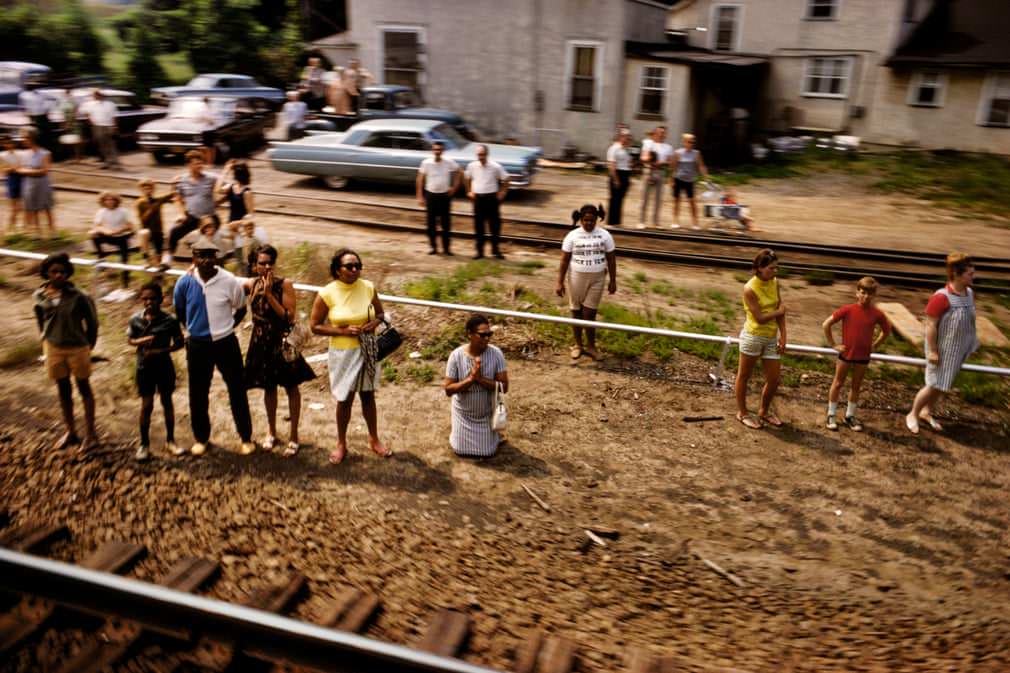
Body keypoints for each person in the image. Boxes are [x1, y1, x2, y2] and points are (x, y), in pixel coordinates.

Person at [172, 236, 254, 456]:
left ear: (217, 257)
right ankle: (201, 438)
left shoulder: (229, 281)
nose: (207, 260)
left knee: (237, 389)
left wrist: (228, 328)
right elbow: (179, 310)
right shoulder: (184, 282)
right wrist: (191, 329)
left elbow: (241, 308)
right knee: (198, 393)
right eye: (202, 256)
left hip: (226, 343)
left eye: (211, 255)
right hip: (198, 344)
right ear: (194, 258)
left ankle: (246, 438)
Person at [309, 248, 391, 464]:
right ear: (337, 270)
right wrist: (343, 331)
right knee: (344, 398)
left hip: (368, 349)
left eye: (358, 266)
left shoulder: (368, 287)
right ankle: (341, 443)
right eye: (349, 266)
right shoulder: (327, 293)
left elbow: (380, 314)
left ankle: (374, 439)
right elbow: (315, 326)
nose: (355, 270)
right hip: (343, 352)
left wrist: (375, 322)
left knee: (368, 395)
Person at [243, 245, 316, 456]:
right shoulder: (252, 283)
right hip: (260, 341)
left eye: (270, 262)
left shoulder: (284, 284)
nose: (266, 266)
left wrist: (269, 295)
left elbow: (289, 316)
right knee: (268, 387)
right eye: (262, 263)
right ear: (254, 265)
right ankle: (271, 432)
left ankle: (294, 436)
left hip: (281, 341)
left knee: (291, 387)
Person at [32, 253, 99, 453]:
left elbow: (93, 323)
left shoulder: (79, 296)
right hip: (53, 347)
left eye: (62, 271)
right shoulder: (39, 296)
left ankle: (90, 433)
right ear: (46, 274)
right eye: (54, 272)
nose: (59, 275)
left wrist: (89, 346)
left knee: (83, 388)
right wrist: (45, 338)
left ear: (68, 273)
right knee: (63, 388)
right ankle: (70, 431)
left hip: (77, 347)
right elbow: (40, 319)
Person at [906, 253, 979, 435]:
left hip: (958, 349)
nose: (973, 276)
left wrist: (971, 342)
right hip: (941, 349)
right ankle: (912, 414)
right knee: (933, 384)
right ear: (957, 274)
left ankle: (926, 412)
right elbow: (930, 325)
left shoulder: (969, 293)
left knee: (943, 384)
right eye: (970, 273)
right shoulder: (941, 297)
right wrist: (932, 351)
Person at [821, 277, 891, 432]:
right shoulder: (848, 309)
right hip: (846, 355)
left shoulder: (877, 314)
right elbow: (826, 324)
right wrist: (833, 344)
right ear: (857, 292)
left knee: (856, 386)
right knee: (838, 383)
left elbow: (886, 331)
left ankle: (850, 416)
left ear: (874, 295)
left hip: (863, 357)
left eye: (870, 293)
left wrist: (875, 345)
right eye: (863, 292)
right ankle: (831, 414)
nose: (866, 296)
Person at [127, 282, 184, 461]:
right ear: (141, 300)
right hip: (144, 367)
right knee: (147, 405)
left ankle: (171, 441)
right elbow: (130, 340)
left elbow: (179, 342)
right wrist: (142, 341)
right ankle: (144, 444)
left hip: (164, 366)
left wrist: (160, 351)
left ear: (161, 299)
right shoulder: (135, 319)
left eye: (153, 298)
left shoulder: (170, 320)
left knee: (167, 402)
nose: (149, 302)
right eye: (145, 299)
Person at [555, 204, 617, 360]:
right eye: (586, 220)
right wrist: (559, 282)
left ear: (597, 219)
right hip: (576, 278)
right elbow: (564, 260)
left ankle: (591, 347)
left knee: (590, 313)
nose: (589, 223)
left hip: (598, 279)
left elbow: (611, 258)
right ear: (580, 220)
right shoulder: (572, 235)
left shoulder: (605, 235)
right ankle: (578, 345)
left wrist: (613, 280)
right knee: (576, 311)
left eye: (592, 220)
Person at [443, 314, 509, 458]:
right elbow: (448, 390)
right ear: (470, 334)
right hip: (463, 415)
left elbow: (504, 387)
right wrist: (471, 379)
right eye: (482, 335)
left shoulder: (496, 354)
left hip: (485, 414)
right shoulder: (456, 356)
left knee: (487, 452)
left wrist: (481, 379)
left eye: (489, 334)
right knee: (459, 449)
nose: (487, 338)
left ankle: (494, 436)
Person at [735, 249, 787, 429]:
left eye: (776, 268)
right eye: (771, 269)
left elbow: (781, 310)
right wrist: (779, 312)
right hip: (753, 337)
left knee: (774, 379)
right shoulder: (749, 288)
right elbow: (759, 317)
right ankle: (742, 413)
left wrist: (784, 336)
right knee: (744, 376)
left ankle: (763, 411)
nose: (775, 272)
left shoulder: (774, 282)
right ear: (759, 268)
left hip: (771, 337)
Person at [165, 150, 219, 264]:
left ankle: (213, 262)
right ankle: (167, 259)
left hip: (209, 217)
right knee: (174, 232)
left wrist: (220, 199)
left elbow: (224, 185)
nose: (199, 166)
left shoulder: (211, 178)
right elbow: (177, 198)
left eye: (201, 163)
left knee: (206, 241)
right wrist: (181, 213)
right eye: (196, 163)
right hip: (193, 216)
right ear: (189, 165)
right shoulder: (182, 180)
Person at [464, 144, 509, 260]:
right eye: (479, 155)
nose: (481, 157)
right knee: (479, 226)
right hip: (478, 199)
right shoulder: (472, 166)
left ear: (487, 154)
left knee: (494, 226)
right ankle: (479, 252)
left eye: (483, 154)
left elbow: (506, 179)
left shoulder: (495, 167)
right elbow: (467, 178)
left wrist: (502, 193)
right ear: (476, 155)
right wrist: (469, 191)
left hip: (491, 199)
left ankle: (495, 251)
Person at [416, 140, 460, 255]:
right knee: (431, 224)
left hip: (445, 196)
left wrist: (454, 188)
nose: (437, 152)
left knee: (446, 223)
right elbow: (420, 180)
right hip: (431, 196)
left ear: (443, 151)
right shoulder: (426, 163)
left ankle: (446, 248)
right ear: (432, 150)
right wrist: (420, 196)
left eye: (439, 150)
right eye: (435, 149)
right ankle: (433, 247)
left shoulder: (449, 162)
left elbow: (459, 172)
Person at [89, 191, 136, 289]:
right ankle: (101, 256)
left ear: (116, 201)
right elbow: (97, 226)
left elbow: (131, 226)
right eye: (107, 200)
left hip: (121, 237)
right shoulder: (101, 212)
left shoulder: (123, 211)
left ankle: (125, 281)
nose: (109, 202)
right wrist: (106, 231)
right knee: (93, 234)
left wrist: (118, 231)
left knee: (124, 261)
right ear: (103, 201)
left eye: (112, 200)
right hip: (108, 235)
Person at [18, 128, 55, 237]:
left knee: (46, 207)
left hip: (42, 183)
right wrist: (33, 171)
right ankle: (37, 231)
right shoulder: (23, 154)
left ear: (31, 138)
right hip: (29, 183)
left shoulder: (45, 153)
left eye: (25, 138)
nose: (23, 140)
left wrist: (27, 171)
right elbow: (19, 169)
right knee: (32, 207)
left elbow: (45, 170)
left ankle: (52, 230)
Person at [670, 133, 709, 230]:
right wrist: (671, 180)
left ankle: (695, 223)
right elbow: (674, 167)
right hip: (678, 179)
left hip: (690, 180)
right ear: (684, 142)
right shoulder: (678, 152)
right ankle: (675, 221)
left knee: (692, 202)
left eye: (693, 141)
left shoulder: (696, 153)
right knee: (676, 201)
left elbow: (701, 165)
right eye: (689, 141)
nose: (691, 143)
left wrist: (705, 175)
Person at [135, 178, 175, 269]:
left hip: (158, 231)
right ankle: (145, 259)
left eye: (149, 189)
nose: (147, 191)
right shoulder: (139, 203)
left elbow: (171, 195)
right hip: (147, 231)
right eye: (145, 189)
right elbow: (142, 220)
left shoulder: (158, 200)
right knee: (143, 233)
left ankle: (158, 276)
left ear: (153, 190)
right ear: (141, 190)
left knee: (158, 255)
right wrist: (151, 208)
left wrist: (173, 183)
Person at [216, 159, 255, 251]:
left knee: (239, 250)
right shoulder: (231, 187)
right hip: (231, 225)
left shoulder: (247, 192)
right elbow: (217, 189)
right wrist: (225, 170)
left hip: (242, 227)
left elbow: (251, 215)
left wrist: (237, 223)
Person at [638, 126, 672, 228]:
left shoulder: (668, 147)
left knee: (658, 199)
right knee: (645, 197)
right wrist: (648, 159)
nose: (662, 134)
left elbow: (670, 162)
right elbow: (642, 157)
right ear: (656, 133)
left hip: (660, 172)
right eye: (660, 132)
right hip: (648, 171)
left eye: (664, 133)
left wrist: (661, 162)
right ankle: (641, 221)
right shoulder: (648, 143)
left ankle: (656, 222)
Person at [79, 90, 120, 170]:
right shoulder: (90, 104)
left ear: (102, 95)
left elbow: (114, 116)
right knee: (100, 145)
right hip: (97, 126)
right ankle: (106, 163)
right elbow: (84, 111)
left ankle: (114, 163)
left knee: (111, 145)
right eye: (95, 95)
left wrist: (114, 127)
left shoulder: (110, 104)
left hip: (108, 126)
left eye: (98, 95)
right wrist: (90, 120)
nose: (97, 96)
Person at [606, 129, 632, 227]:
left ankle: (617, 222)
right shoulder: (614, 148)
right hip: (617, 174)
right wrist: (616, 179)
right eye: (626, 136)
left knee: (621, 199)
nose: (628, 138)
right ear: (620, 136)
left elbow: (627, 163)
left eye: (629, 136)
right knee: (614, 199)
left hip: (625, 174)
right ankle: (610, 222)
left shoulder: (627, 149)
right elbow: (612, 164)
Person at [19, 83, 52, 150]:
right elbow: (22, 107)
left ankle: (46, 150)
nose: (33, 87)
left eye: (35, 86)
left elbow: (52, 100)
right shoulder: (23, 95)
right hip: (32, 117)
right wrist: (26, 114)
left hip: (43, 117)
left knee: (45, 135)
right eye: (31, 85)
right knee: (34, 135)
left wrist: (47, 109)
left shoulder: (41, 94)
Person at [1, 135, 22, 233]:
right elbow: (3, 170)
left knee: (23, 207)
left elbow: (22, 165)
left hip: (22, 178)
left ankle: (21, 228)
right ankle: (10, 229)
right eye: (5, 143)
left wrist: (12, 167)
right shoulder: (2, 155)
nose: (8, 145)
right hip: (11, 180)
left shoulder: (20, 153)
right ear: (3, 144)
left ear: (13, 143)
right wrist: (12, 168)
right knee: (14, 208)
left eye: (9, 142)